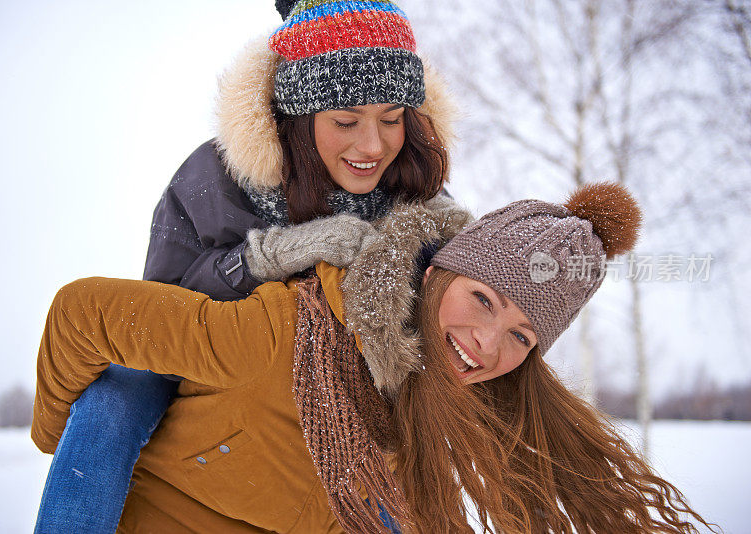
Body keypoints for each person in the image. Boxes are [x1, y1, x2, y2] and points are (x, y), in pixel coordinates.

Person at [32, 182, 717, 533]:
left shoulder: (437, 422)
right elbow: (81, 314)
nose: (488, 344)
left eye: (521, 337)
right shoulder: (286, 334)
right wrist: (55, 440)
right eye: (483, 299)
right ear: (433, 275)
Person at [32, 1, 457, 532]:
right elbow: (165, 307)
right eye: (346, 120)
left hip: (353, 397)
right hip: (211, 360)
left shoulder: (420, 195)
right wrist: (267, 257)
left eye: (392, 119)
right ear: (298, 116)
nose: (372, 145)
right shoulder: (217, 175)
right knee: (113, 397)